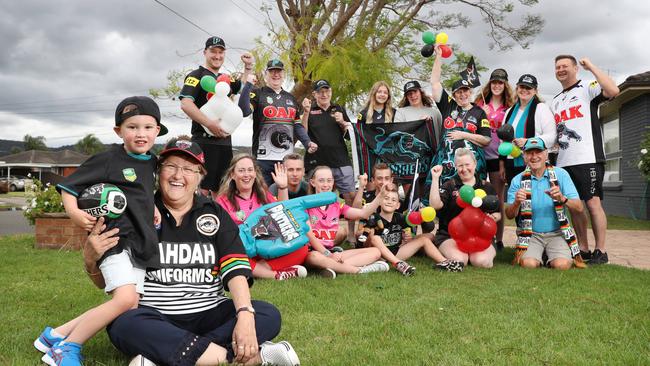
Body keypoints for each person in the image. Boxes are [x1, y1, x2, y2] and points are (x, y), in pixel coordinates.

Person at [86, 139, 300, 365]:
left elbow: (235, 270)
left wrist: (245, 315)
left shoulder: (214, 213)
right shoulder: (137, 212)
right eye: (171, 166)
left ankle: (164, 355)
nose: (178, 175)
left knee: (267, 314)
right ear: (159, 172)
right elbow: (110, 283)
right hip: (155, 316)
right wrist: (90, 261)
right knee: (123, 324)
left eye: (188, 169)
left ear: (200, 176)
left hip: (209, 312)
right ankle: (249, 357)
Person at [35, 96, 166, 366]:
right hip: (114, 240)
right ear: (119, 131)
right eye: (132, 127)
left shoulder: (151, 162)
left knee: (128, 305)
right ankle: (67, 347)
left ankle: (54, 335)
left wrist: (151, 205)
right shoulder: (108, 159)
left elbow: (141, 192)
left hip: (141, 243)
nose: (140, 133)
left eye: (147, 127)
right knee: (125, 298)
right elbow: (69, 186)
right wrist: (74, 212)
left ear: (157, 130)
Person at [552, 55, 620, 264]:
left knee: (593, 204)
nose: (561, 69)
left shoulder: (587, 87)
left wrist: (591, 66)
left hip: (588, 157)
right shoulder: (555, 100)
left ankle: (601, 250)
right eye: (557, 67)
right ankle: (583, 248)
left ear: (575, 68)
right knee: (575, 205)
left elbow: (613, 91)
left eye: (565, 66)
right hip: (563, 161)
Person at [216, 154, 312, 281]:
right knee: (230, 256)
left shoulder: (263, 195)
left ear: (255, 173)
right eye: (241, 170)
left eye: (250, 170)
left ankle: (258, 270)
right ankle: (276, 275)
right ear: (232, 175)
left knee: (301, 248)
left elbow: (282, 213)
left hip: (268, 248)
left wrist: (283, 187)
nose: (246, 174)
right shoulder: (222, 201)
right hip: (242, 251)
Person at [179, 36, 254, 198]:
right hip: (203, 141)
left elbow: (241, 86)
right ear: (205, 52)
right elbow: (185, 103)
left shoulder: (225, 78)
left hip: (225, 142)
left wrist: (248, 66)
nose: (217, 56)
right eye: (213, 51)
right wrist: (209, 123)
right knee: (201, 191)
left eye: (221, 52)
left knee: (223, 190)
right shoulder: (196, 75)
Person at [505, 137, 585, 270]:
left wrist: (562, 198)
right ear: (524, 156)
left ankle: (547, 254)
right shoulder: (517, 180)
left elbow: (579, 208)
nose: (534, 156)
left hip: (557, 233)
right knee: (528, 264)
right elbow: (509, 214)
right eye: (530, 152)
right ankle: (539, 254)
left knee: (562, 265)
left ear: (546, 154)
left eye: (538, 152)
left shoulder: (561, 175)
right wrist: (516, 203)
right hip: (530, 234)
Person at [238, 59, 317, 186]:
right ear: (266, 74)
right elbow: (244, 111)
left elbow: (297, 125)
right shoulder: (257, 93)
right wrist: (247, 85)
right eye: (272, 71)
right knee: (263, 195)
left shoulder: (291, 98)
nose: (276, 74)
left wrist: (307, 142)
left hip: (286, 159)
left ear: (284, 74)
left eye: (279, 71)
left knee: (284, 195)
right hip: (263, 158)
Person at [304, 165, 391, 276]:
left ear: (333, 182)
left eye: (329, 181)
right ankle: (360, 271)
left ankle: (332, 267)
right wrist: (328, 255)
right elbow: (310, 237)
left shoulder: (337, 206)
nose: (326, 184)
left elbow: (363, 214)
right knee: (314, 257)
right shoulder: (305, 205)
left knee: (376, 252)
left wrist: (380, 196)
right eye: (321, 181)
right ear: (312, 182)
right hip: (313, 252)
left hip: (330, 252)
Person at [366, 184, 465, 275]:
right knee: (375, 238)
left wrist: (420, 216)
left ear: (398, 205)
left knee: (424, 240)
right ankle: (399, 264)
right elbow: (366, 244)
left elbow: (411, 227)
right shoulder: (373, 218)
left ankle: (444, 262)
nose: (389, 202)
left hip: (396, 252)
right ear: (379, 201)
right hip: (379, 255)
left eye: (393, 200)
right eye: (386, 198)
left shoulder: (400, 217)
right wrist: (369, 236)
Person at [429, 45, 491, 185]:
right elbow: (435, 83)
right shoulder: (448, 105)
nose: (463, 95)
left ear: (470, 92)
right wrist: (438, 57)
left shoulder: (479, 112)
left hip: (471, 167)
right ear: (454, 95)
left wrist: (464, 135)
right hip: (446, 163)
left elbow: (486, 140)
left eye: (466, 91)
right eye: (459, 92)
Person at [428, 148, 500, 268]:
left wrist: (492, 217)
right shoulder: (449, 185)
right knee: (460, 260)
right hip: (450, 236)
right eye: (460, 166)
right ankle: (460, 254)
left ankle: (474, 253)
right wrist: (435, 178)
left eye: (467, 164)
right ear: (456, 167)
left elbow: (497, 214)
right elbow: (435, 205)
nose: (464, 169)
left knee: (481, 262)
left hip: (480, 236)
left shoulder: (486, 186)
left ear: (475, 164)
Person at [473, 68, 514, 250]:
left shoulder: (510, 107)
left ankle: (498, 239)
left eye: (500, 83)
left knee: (497, 199)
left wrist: (504, 161)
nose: (497, 86)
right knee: (479, 197)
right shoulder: (479, 103)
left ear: (505, 85)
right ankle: (479, 235)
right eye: (494, 82)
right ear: (489, 84)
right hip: (480, 156)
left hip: (499, 158)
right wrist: (482, 112)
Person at [301, 79, 355, 202]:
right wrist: (305, 112)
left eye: (327, 91)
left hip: (340, 160)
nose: (324, 95)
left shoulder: (339, 108)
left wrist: (342, 122)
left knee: (351, 196)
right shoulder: (309, 109)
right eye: (320, 92)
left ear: (331, 92)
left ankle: (353, 222)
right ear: (314, 94)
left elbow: (350, 135)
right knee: (316, 199)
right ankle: (317, 221)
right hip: (317, 162)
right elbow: (303, 132)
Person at [502, 74, 557, 184]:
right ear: (517, 88)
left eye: (528, 88)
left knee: (533, 198)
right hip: (511, 163)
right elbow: (503, 139)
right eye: (522, 87)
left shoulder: (541, 108)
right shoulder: (509, 111)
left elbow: (552, 137)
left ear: (535, 90)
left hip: (535, 162)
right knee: (516, 197)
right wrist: (502, 164)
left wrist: (528, 142)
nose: (524, 90)